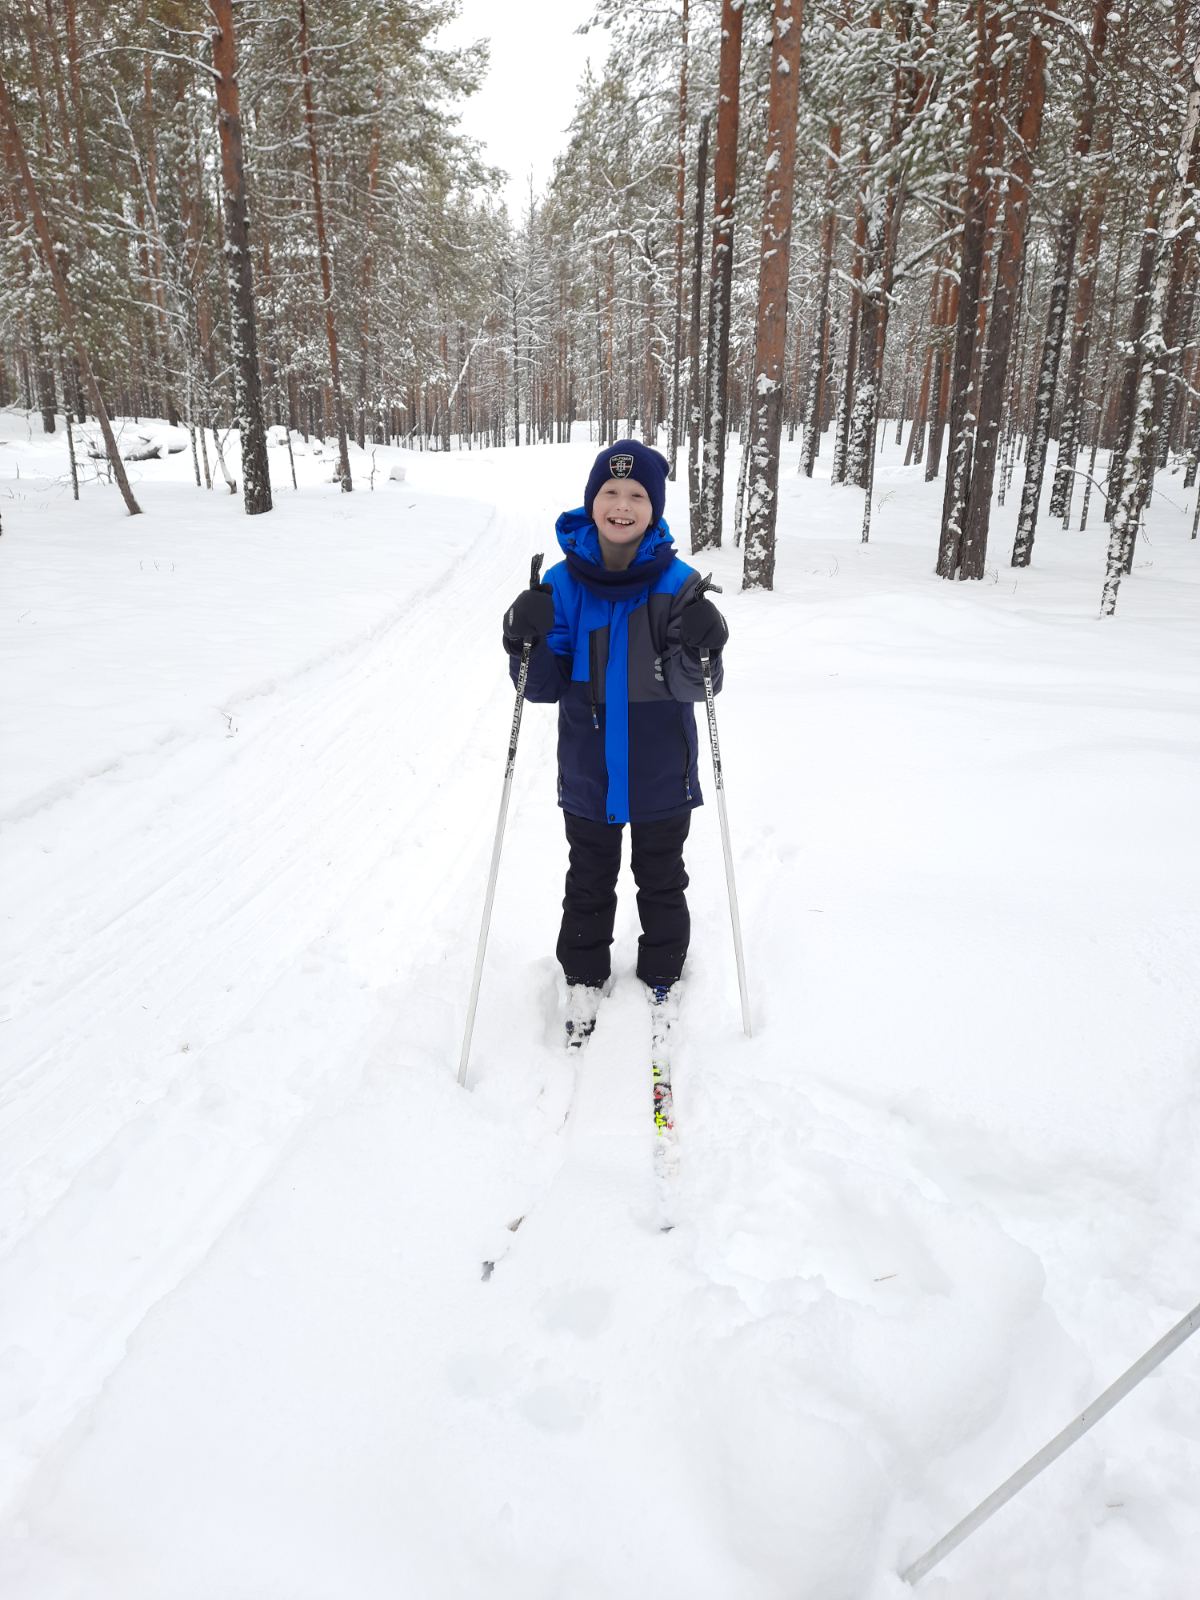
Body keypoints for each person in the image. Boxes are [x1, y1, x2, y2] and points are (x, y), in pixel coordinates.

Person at [501, 439, 728, 1048]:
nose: (622, 505)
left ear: (653, 508)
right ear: (592, 501)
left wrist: (707, 644)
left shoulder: (678, 585)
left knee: (661, 878)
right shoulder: (563, 584)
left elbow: (695, 685)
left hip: (661, 774)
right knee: (589, 876)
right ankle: (582, 975)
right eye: (610, 493)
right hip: (589, 772)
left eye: (636, 495)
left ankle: (662, 974)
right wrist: (523, 638)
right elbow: (542, 686)